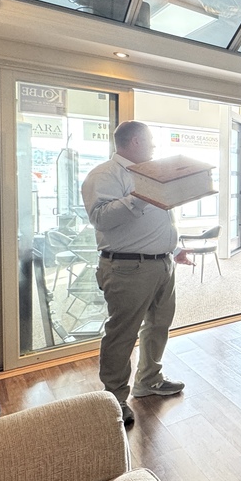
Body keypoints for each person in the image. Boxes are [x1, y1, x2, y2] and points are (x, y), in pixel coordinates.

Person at [81, 121, 192, 428]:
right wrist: (138, 197)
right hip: (127, 267)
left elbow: (162, 218)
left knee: (159, 325)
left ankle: (149, 380)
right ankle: (114, 398)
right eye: (150, 142)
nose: (154, 147)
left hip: (161, 264)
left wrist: (173, 248)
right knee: (122, 333)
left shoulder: (149, 174)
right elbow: (100, 218)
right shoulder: (104, 175)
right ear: (133, 143)